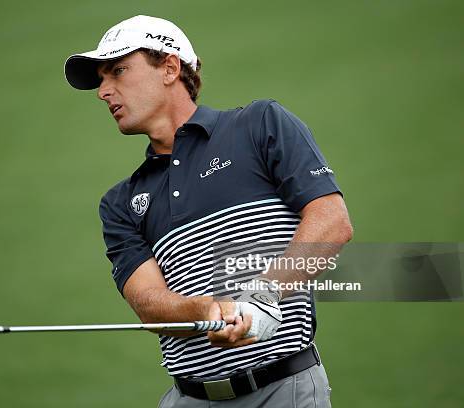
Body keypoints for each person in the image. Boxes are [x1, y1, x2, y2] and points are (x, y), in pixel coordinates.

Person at [64, 15, 352, 407]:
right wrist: (207, 310)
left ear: (169, 67)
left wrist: (264, 297)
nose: (103, 91)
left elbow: (332, 222)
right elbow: (149, 303)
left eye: (117, 71)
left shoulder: (259, 124)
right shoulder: (120, 203)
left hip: (284, 390)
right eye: (101, 79)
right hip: (190, 398)